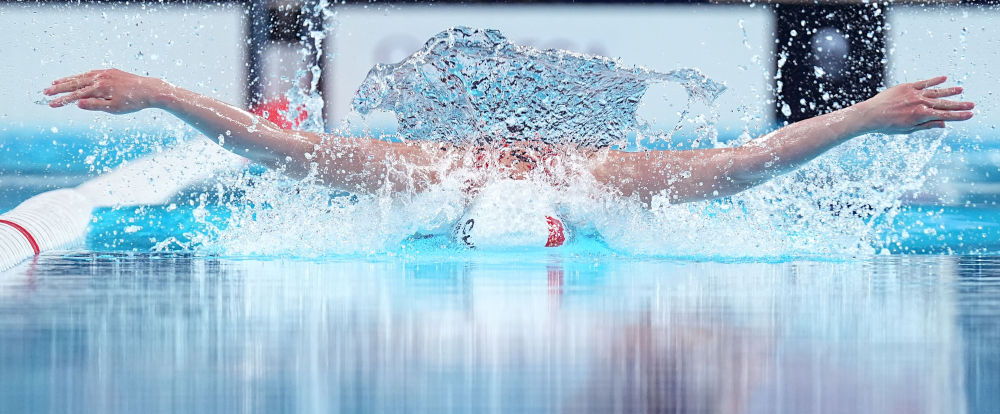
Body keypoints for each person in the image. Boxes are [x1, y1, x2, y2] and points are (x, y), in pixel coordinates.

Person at [43, 68, 974, 205]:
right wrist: (153, 93)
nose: (509, 164)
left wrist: (864, 116)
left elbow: (740, 167)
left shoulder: (601, 175)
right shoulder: (420, 172)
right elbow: (261, 142)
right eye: (496, 150)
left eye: (524, 153)